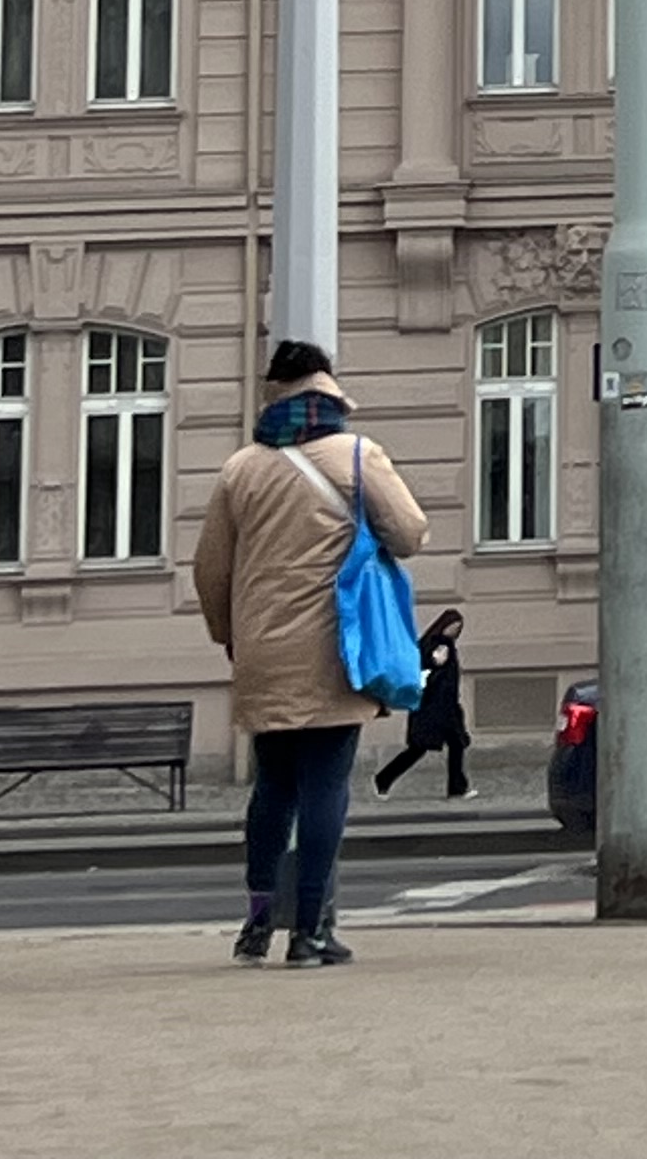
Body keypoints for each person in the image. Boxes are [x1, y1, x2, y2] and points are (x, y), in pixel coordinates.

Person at [194, 337, 428, 969]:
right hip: (336, 650)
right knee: (325, 787)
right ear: (328, 389)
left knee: (272, 787)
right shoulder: (356, 455)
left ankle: (256, 923)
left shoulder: (240, 470)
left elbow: (210, 569)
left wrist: (229, 636)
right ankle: (310, 932)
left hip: (263, 651)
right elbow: (410, 533)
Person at [371, 606, 472, 800]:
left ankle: (457, 787)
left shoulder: (434, 644)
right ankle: (384, 778)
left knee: (454, 745)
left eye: (458, 628)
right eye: (454, 627)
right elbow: (433, 669)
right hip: (434, 709)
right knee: (419, 749)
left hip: (444, 708)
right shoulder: (440, 645)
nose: (455, 631)